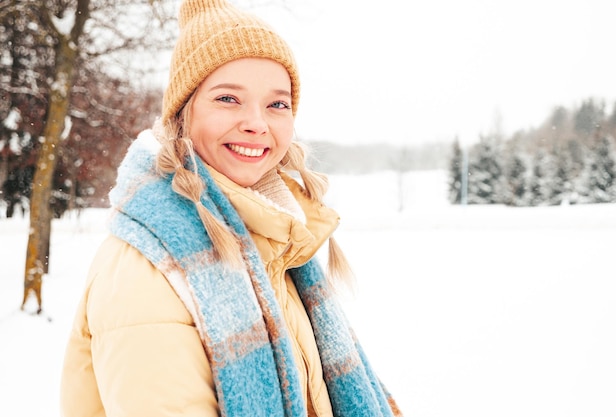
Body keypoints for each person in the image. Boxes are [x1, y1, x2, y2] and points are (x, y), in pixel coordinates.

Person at [60, 0, 403, 416]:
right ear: (182, 115)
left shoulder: (278, 244)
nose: (257, 122)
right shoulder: (147, 264)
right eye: (228, 98)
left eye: (277, 104)